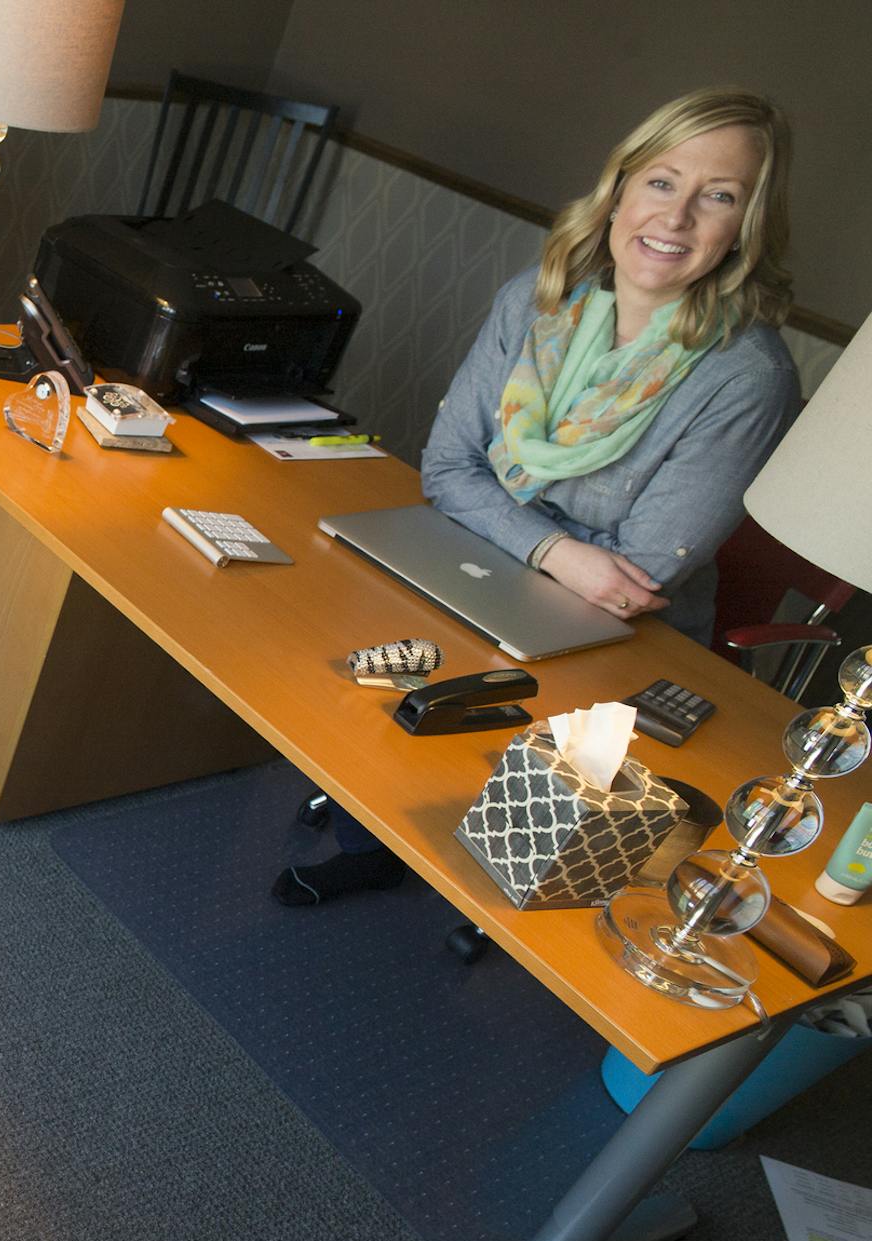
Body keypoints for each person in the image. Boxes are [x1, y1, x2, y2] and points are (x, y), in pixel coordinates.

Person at [275, 87, 801, 907]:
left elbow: (632, 578)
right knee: (336, 633)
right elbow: (446, 468)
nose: (677, 216)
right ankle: (371, 822)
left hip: (620, 641)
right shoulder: (540, 297)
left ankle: (441, 855)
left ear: (747, 228)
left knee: (448, 689)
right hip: (487, 563)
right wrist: (556, 548)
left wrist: (521, 534)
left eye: (720, 197)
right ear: (621, 188)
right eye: (662, 182)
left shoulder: (747, 376)